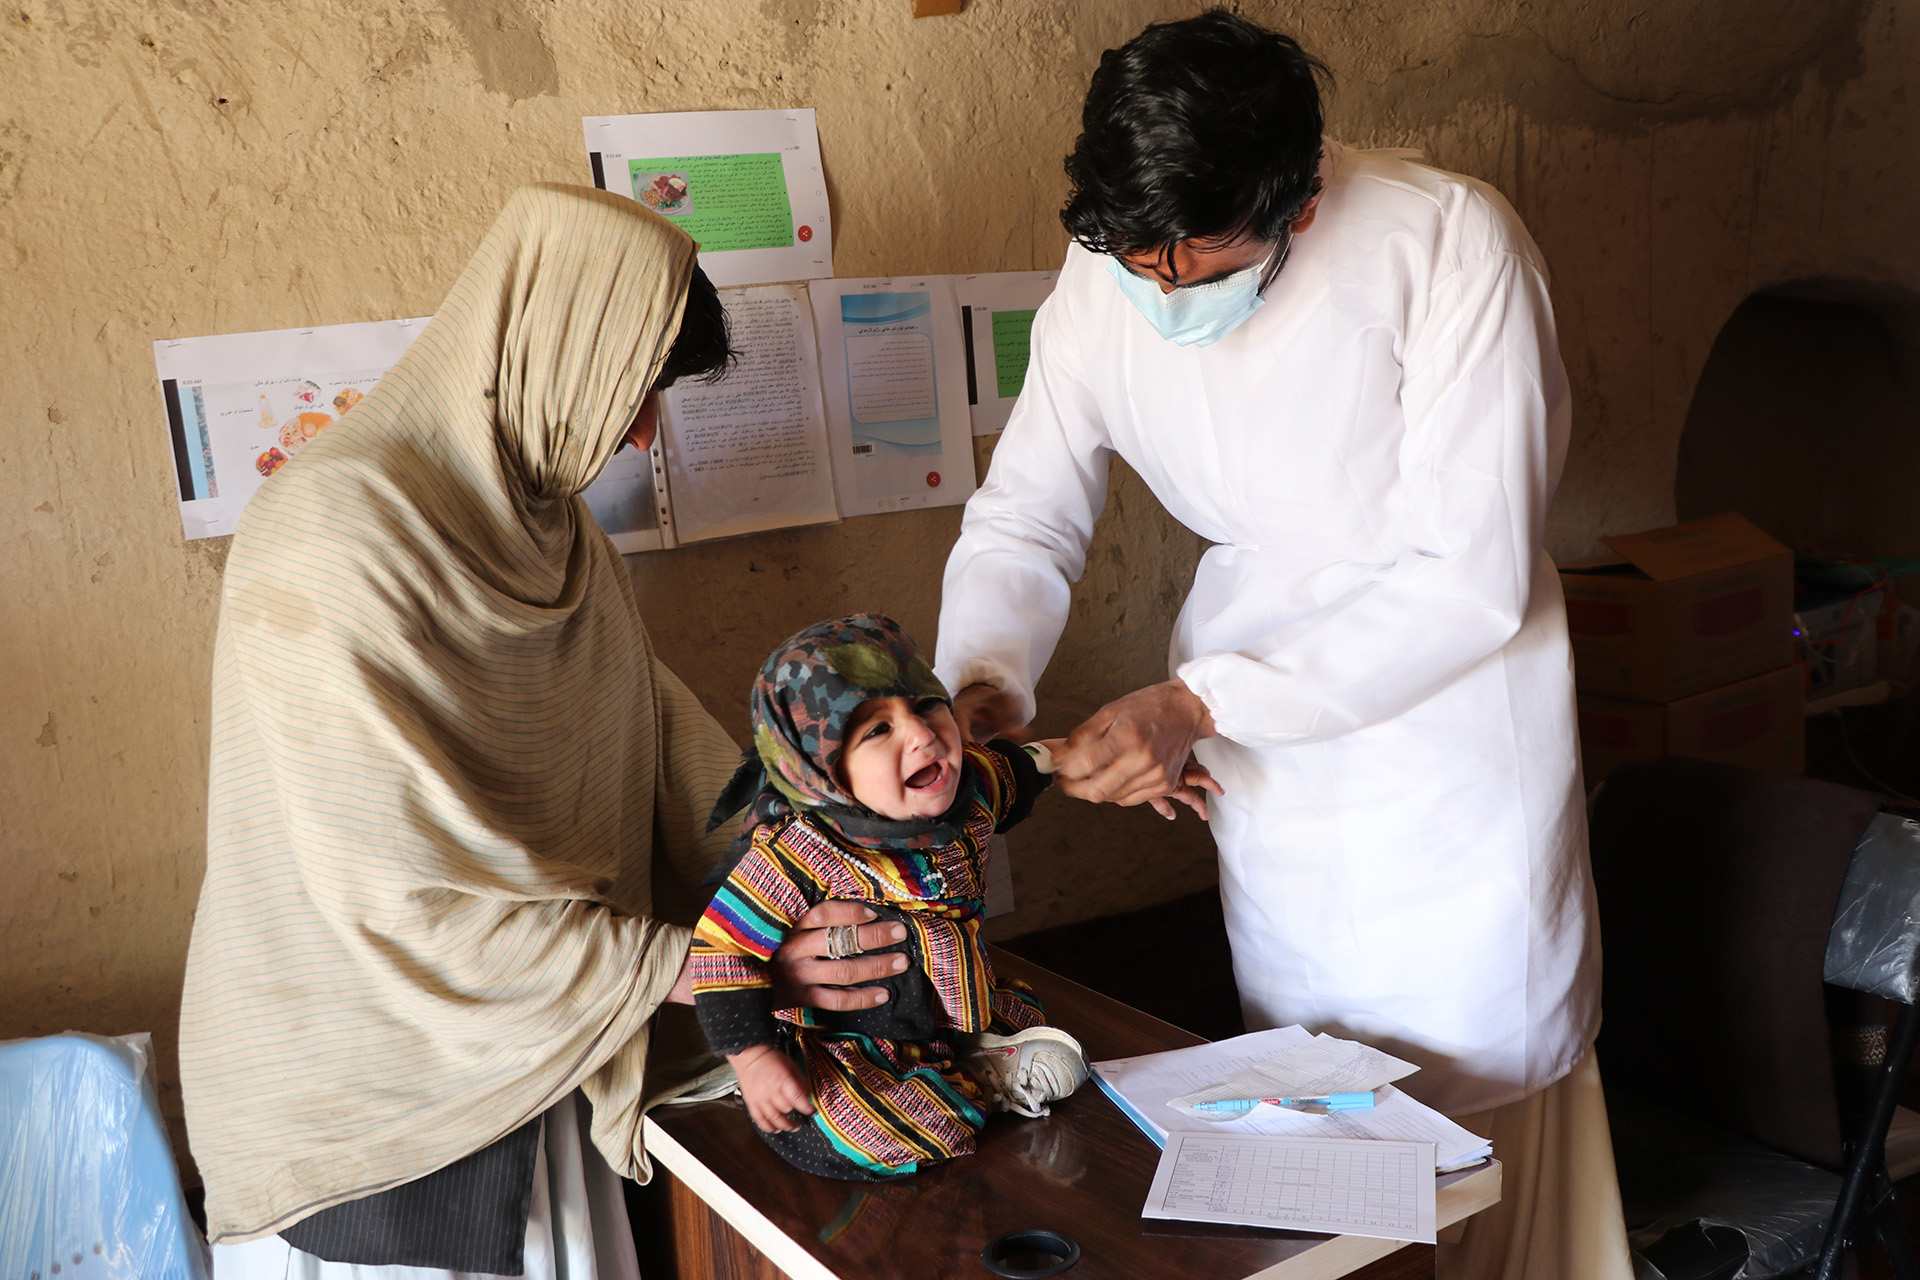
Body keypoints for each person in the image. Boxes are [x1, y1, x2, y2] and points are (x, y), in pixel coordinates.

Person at [934, 13, 1630, 1279]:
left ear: (1299, 204)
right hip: (1266, 750)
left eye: (1195, 269)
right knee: (1313, 1106)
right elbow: (1029, 506)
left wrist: (1196, 702)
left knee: (1486, 1110)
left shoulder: (1448, 241)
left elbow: (1470, 577)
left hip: (1449, 736)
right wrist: (983, 684)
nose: (1162, 293)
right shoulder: (1114, 266)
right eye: (1139, 263)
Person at [178, 184, 907, 1280]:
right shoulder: (332, 535)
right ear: (553, 347)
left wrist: (832, 870)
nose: (644, 430)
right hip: (378, 1122)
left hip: (549, 1052)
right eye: (638, 388)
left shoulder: (557, 538)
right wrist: (720, 959)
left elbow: (673, 757)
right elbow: (409, 903)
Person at [691, 613, 1090, 1180]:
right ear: (819, 771)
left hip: (955, 1008)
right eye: (877, 730)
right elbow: (719, 954)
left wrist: (1075, 756)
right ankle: (965, 1087)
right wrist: (753, 1059)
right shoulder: (799, 850)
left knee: (1050, 1033)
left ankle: (974, 1057)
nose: (923, 734)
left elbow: (1021, 772)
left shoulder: (970, 792)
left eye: (927, 704)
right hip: (855, 1042)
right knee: (869, 1130)